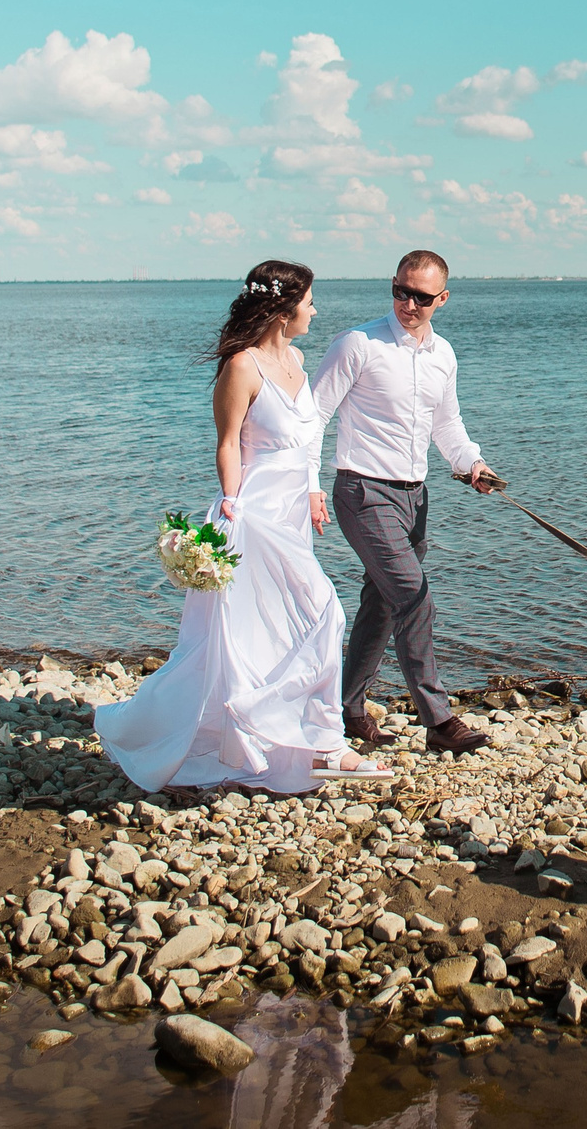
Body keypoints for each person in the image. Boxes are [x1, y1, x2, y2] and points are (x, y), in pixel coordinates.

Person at [95, 260, 390, 795]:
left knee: (278, 628)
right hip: (252, 514)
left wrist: (314, 490)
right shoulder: (241, 367)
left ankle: (285, 742)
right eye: (308, 302)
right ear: (282, 310)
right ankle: (327, 744)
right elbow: (228, 442)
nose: (315, 310)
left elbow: (307, 438)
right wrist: (231, 502)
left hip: (293, 514)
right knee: (323, 613)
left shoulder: (299, 361)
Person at [311, 249, 501, 755]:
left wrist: (471, 465)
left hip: (414, 497)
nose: (408, 304)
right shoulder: (358, 343)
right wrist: (309, 486)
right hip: (361, 490)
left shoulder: (444, 355)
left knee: (382, 602)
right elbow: (313, 417)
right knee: (415, 597)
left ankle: (348, 710)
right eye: (400, 291)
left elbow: (446, 424)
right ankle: (438, 720)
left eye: (420, 296)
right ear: (392, 286)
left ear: (442, 299)